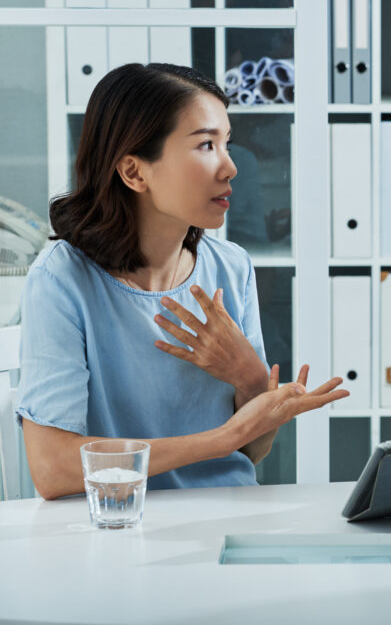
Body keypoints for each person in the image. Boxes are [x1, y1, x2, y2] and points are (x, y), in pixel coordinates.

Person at [17, 63, 347, 500]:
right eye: (206, 145)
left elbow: (251, 453)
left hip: (227, 515)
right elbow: (54, 470)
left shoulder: (231, 267)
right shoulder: (61, 280)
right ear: (135, 172)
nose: (230, 167)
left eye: (226, 143)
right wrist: (221, 439)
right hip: (119, 527)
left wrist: (250, 377)